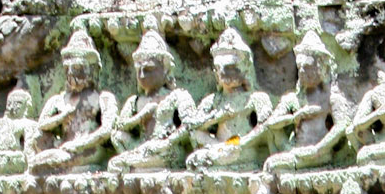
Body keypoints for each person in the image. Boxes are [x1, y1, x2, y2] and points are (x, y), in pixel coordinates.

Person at [29, 25, 117, 172]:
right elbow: (42, 125)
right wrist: (61, 117)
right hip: (64, 146)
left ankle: (53, 163)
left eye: (77, 68)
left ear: (92, 70)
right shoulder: (58, 100)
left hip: (88, 149)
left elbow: (107, 129)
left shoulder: (103, 98)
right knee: (38, 140)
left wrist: (80, 144)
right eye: (67, 69)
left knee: (49, 161)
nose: (70, 74)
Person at [262, 29, 352, 170]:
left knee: (272, 165)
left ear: (322, 68)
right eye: (300, 67)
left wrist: (318, 149)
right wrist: (295, 117)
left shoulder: (331, 98)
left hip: (320, 152)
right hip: (296, 150)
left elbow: (342, 125)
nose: (303, 72)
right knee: (271, 156)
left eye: (309, 67)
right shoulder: (293, 99)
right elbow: (271, 123)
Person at [187, 27, 273, 170]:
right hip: (219, 148)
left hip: (244, 147)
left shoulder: (256, 98)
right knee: (194, 156)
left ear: (245, 68)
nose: (224, 73)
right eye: (219, 69)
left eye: (230, 67)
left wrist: (241, 143)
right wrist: (216, 119)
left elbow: (266, 129)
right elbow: (192, 128)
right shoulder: (214, 100)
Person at [110, 28, 195, 171]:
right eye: (139, 71)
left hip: (165, 148)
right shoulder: (135, 100)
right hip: (142, 146)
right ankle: (137, 161)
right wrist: (140, 116)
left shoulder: (177, 96)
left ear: (166, 70)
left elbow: (190, 124)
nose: (142, 76)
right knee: (117, 136)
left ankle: (136, 163)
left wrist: (168, 141)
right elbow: (120, 126)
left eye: (149, 70)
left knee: (118, 163)